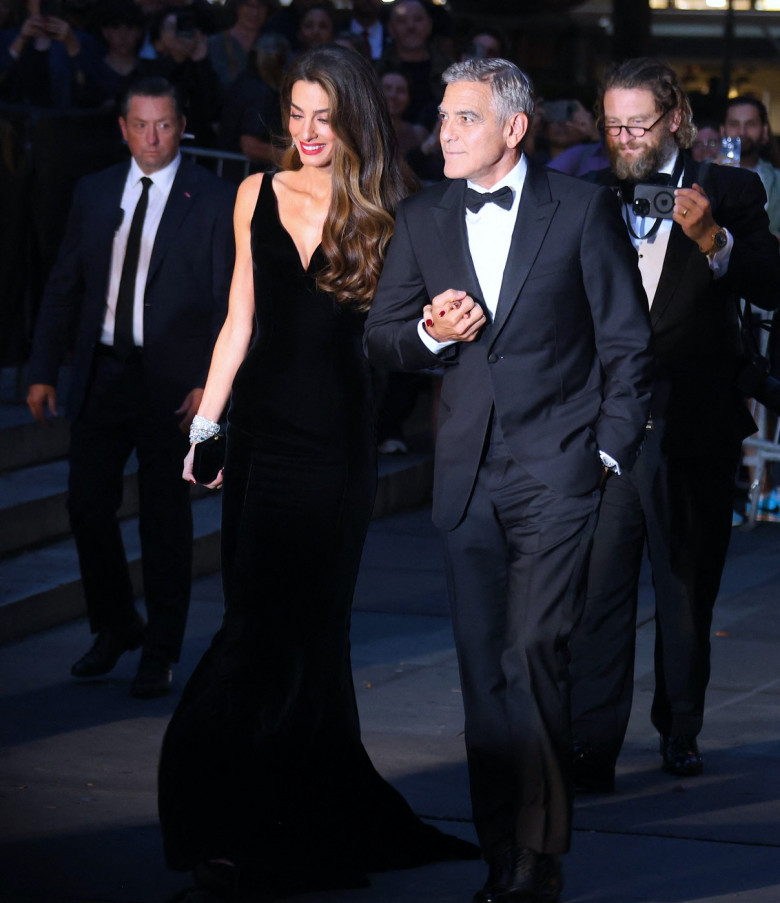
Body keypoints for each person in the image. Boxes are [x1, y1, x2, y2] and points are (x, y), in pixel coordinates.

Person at [157, 45, 478, 903]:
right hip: (260, 440)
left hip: (338, 447)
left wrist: (445, 324)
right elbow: (238, 321)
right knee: (255, 623)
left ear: (352, 121)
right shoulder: (253, 194)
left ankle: (271, 811)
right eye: (294, 115)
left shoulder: (390, 208)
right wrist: (209, 424)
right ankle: (236, 819)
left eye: (322, 118)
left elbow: (416, 328)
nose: (304, 132)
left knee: (306, 633)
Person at [364, 57, 653, 903]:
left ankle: (538, 856)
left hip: (560, 469)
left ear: (513, 128)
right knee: (483, 673)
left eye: (462, 118)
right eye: (442, 117)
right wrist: (426, 332)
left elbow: (627, 344)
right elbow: (380, 338)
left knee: (532, 652)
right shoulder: (422, 215)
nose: (442, 131)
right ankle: (501, 848)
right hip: (464, 478)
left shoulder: (581, 209)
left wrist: (603, 453)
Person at [569, 59, 780, 794]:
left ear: (677, 121)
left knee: (685, 584)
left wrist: (714, 241)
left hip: (692, 418)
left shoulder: (730, 188)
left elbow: (771, 279)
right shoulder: (587, 194)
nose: (625, 137)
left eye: (639, 123)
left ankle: (678, 728)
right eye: (614, 124)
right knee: (599, 587)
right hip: (607, 421)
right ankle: (592, 741)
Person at [26, 77, 236, 699]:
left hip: (174, 384)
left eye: (164, 125)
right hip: (105, 372)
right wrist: (42, 366)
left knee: (164, 519)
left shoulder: (215, 198)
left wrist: (210, 383)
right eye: (140, 125)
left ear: (181, 126)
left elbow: (234, 301)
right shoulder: (94, 192)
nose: (151, 137)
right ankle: (118, 624)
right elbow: (66, 281)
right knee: (86, 504)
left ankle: (161, 652)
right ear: (122, 128)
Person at [721, 95, 780, 238]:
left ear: (764, 132)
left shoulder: (777, 180)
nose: (741, 132)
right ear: (722, 131)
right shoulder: (702, 173)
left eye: (751, 124)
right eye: (734, 124)